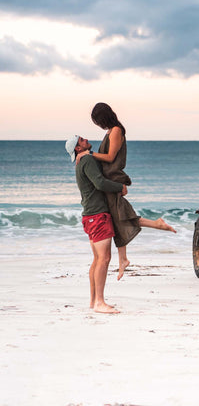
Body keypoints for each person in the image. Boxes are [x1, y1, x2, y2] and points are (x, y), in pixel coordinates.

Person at [76, 102, 176, 280]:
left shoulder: (116, 130)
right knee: (119, 216)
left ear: (104, 117)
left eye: (98, 121)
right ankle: (126, 255)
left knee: (120, 216)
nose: (98, 125)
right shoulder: (109, 131)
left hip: (113, 178)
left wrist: (88, 154)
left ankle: (128, 254)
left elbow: (110, 157)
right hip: (109, 179)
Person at [65, 134, 124, 314]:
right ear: (78, 148)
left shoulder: (82, 161)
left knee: (98, 259)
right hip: (97, 215)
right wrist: (120, 187)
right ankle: (99, 302)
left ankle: (93, 301)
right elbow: (99, 183)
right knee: (104, 259)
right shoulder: (87, 160)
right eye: (82, 140)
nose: (86, 139)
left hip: (90, 215)